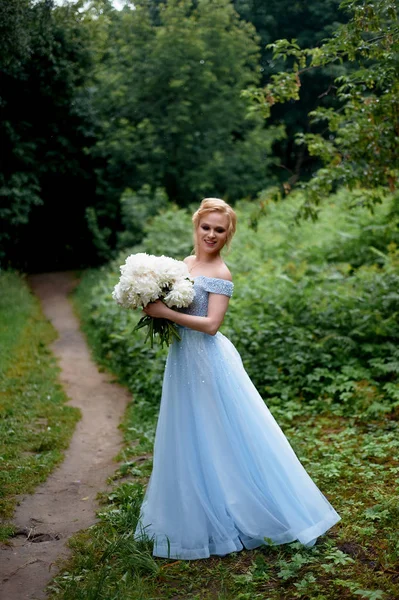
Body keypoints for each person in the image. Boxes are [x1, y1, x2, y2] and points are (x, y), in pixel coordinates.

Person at [134, 197, 340, 560]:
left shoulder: (221, 274)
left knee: (219, 431)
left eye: (220, 230)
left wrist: (165, 311)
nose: (211, 234)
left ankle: (246, 507)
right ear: (196, 226)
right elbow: (178, 309)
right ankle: (192, 508)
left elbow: (211, 326)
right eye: (206, 227)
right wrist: (153, 305)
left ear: (227, 235)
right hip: (182, 358)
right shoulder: (183, 264)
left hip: (208, 361)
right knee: (187, 430)